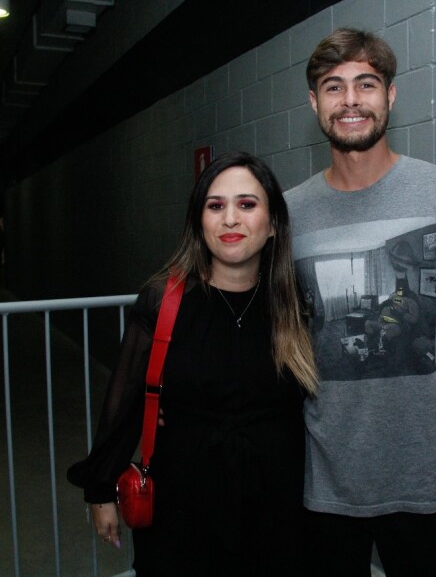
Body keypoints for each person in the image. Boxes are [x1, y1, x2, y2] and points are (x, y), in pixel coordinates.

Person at [284, 28, 436, 576]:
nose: (351, 101)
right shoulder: (289, 210)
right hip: (324, 477)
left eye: (366, 84)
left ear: (390, 96)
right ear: (315, 103)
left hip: (430, 478)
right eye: (333, 87)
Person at [67, 151, 317, 576]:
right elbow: (124, 405)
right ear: (199, 222)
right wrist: (100, 489)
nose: (231, 219)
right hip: (182, 506)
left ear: (273, 224)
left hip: (277, 505)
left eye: (248, 204)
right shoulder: (164, 301)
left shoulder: (293, 300)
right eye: (215, 206)